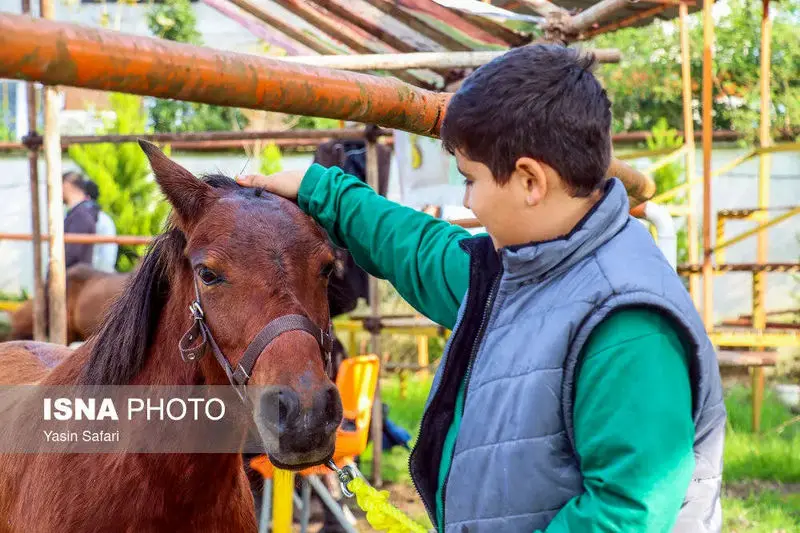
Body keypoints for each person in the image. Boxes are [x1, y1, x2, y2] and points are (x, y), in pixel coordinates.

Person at [236, 44, 725, 533]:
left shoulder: (628, 324)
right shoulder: (521, 272)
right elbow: (420, 250)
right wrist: (322, 190)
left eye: (471, 180)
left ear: (530, 180)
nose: (468, 199)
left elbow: (624, 515)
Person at [62, 171, 100, 270]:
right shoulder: (80, 212)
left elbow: (72, 253)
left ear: (67, 185)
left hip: (74, 279)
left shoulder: (80, 215)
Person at [81, 180, 118, 272]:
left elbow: (107, 256)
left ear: (86, 197)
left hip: (96, 275)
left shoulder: (102, 220)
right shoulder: (105, 219)